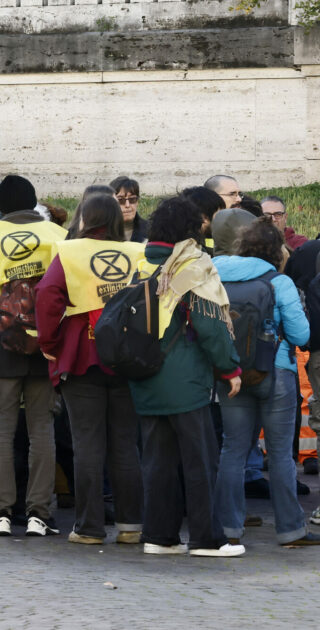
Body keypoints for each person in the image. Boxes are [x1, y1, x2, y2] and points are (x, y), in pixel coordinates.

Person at [129, 195, 244, 557]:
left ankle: (159, 537)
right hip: (185, 380)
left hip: (143, 373)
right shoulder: (191, 265)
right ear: (189, 230)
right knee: (199, 461)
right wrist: (230, 369)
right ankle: (207, 539)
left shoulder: (136, 261)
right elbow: (210, 325)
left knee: (157, 462)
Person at [35, 193, 144, 545]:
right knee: (126, 446)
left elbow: (48, 297)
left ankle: (89, 528)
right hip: (128, 361)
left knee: (87, 445)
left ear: (83, 218)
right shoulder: (136, 253)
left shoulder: (69, 253)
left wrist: (51, 346)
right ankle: (131, 526)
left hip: (83, 357)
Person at [0, 174, 65, 538]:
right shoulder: (57, 237)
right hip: (46, 349)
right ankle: (40, 514)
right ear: (35, 200)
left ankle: (0, 514)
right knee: (42, 430)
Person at [212, 217, 317, 546]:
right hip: (276, 373)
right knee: (281, 454)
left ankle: (228, 528)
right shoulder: (278, 281)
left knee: (232, 450)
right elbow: (302, 334)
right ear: (276, 249)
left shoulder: (215, 276)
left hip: (231, 375)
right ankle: (290, 529)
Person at [108, 175, 148, 242]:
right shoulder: (100, 234)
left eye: (132, 199)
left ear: (137, 201)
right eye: (120, 200)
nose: (127, 205)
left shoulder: (151, 231)